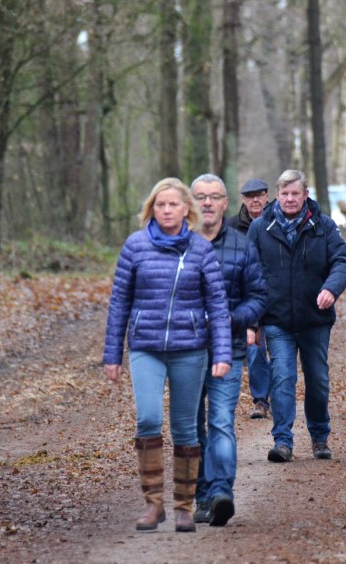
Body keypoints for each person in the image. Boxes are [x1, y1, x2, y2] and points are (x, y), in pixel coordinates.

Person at [103, 178, 232, 533]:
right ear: (151, 209)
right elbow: (119, 305)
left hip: (190, 348)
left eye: (173, 204)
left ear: (186, 209)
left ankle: (184, 507)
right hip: (145, 347)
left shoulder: (200, 250)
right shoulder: (135, 246)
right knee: (147, 419)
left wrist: (222, 352)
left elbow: (217, 306)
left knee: (185, 427)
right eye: (160, 205)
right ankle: (153, 503)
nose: (166, 210)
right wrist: (112, 355)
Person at [247, 170, 346, 462]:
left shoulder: (324, 226)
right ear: (277, 196)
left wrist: (331, 288)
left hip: (314, 319)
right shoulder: (260, 228)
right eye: (284, 194)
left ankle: (319, 437)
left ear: (306, 195)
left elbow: (341, 261)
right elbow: (250, 276)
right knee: (282, 378)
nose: (290, 199)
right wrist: (253, 322)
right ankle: (282, 441)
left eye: (295, 193)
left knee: (317, 379)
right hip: (276, 319)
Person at [190, 174, 267, 527]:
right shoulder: (177, 245)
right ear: (191, 203)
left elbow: (259, 297)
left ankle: (221, 492)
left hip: (229, 348)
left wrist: (230, 318)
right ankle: (202, 496)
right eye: (200, 196)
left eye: (214, 196)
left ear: (225, 203)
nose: (207, 202)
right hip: (184, 352)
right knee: (191, 427)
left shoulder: (242, 244)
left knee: (220, 420)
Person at [226, 177, 273, 420]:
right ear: (243, 200)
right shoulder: (232, 226)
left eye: (260, 195)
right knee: (254, 351)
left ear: (267, 196)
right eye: (250, 196)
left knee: (278, 351)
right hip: (247, 299)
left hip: (277, 298)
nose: (255, 200)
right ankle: (260, 400)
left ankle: (278, 396)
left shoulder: (278, 221)